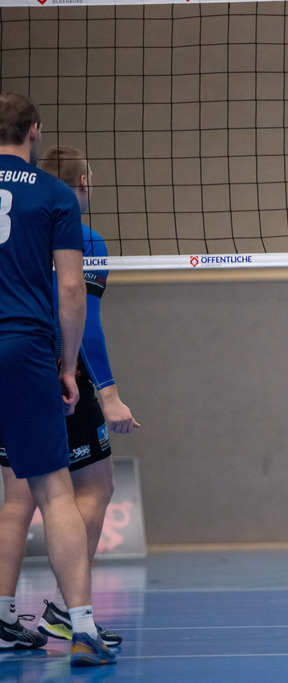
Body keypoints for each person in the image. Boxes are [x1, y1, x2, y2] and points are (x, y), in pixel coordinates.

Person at [0, 145, 140, 649]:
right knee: (91, 487)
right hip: (53, 364)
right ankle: (67, 610)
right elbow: (87, 319)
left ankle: (4, 616)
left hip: (8, 359)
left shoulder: (21, 214)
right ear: (79, 184)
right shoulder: (76, 228)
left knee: (16, 498)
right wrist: (108, 392)